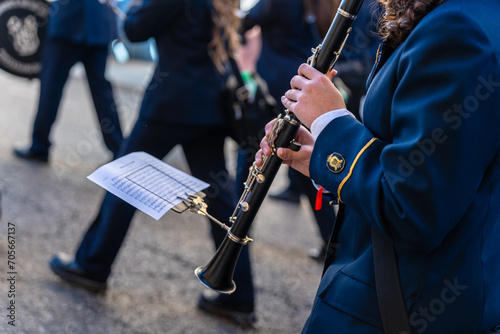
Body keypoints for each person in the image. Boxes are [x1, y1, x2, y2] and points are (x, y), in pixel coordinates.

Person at [257, 0, 500, 332]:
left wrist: (332, 123)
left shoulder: (458, 29)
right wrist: (323, 157)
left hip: (401, 304)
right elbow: (433, 167)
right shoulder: (469, 18)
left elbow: (413, 208)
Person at [48, 0, 256, 327]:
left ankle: (92, 265)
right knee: (221, 199)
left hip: (171, 103)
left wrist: (132, 8)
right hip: (209, 104)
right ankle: (239, 295)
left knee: (124, 179)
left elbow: (134, 29)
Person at [240, 0, 381, 262]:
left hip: (281, 90)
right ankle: (333, 243)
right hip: (302, 88)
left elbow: (246, 22)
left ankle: (235, 258)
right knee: (304, 165)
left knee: (248, 174)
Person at [13, 0, 123, 163]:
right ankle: (119, 149)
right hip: (96, 23)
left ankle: (39, 146)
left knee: (51, 88)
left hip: (69, 23)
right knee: (101, 94)